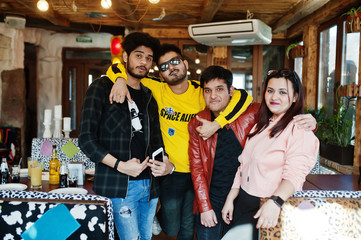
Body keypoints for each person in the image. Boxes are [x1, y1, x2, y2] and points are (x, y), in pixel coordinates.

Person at [106, 43, 253, 239]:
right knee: (172, 227)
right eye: (164, 66)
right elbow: (116, 67)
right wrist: (120, 81)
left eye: (175, 62)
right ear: (160, 74)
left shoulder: (201, 91)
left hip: (199, 172)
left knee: (187, 227)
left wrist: (217, 124)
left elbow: (244, 97)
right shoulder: (157, 88)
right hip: (171, 171)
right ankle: (157, 213)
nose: (171, 67)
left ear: (185, 63)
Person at [188, 66, 317, 240]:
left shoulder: (262, 117)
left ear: (294, 97)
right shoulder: (261, 125)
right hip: (234, 202)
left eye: (282, 92)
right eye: (270, 91)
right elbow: (240, 166)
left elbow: (295, 174)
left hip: (268, 208)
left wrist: (275, 202)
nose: (274, 97)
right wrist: (221, 201)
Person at [78, 32, 168, 240]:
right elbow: (86, 139)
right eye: (139, 55)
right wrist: (121, 165)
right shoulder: (101, 88)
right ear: (125, 56)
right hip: (118, 184)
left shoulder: (148, 96)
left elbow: (156, 140)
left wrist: (164, 165)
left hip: (149, 185)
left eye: (148, 58)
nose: (144, 62)